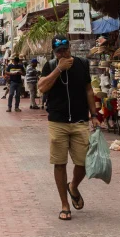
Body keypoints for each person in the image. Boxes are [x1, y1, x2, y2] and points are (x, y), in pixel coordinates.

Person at [38, 35, 101, 222]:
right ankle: (64, 205)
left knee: (83, 163)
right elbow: (42, 88)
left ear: (70, 48)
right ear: (54, 52)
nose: (63, 53)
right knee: (60, 163)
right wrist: (58, 69)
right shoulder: (50, 66)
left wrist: (95, 115)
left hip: (80, 120)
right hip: (58, 121)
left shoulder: (82, 64)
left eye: (65, 49)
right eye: (59, 51)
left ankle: (73, 186)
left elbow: (89, 90)